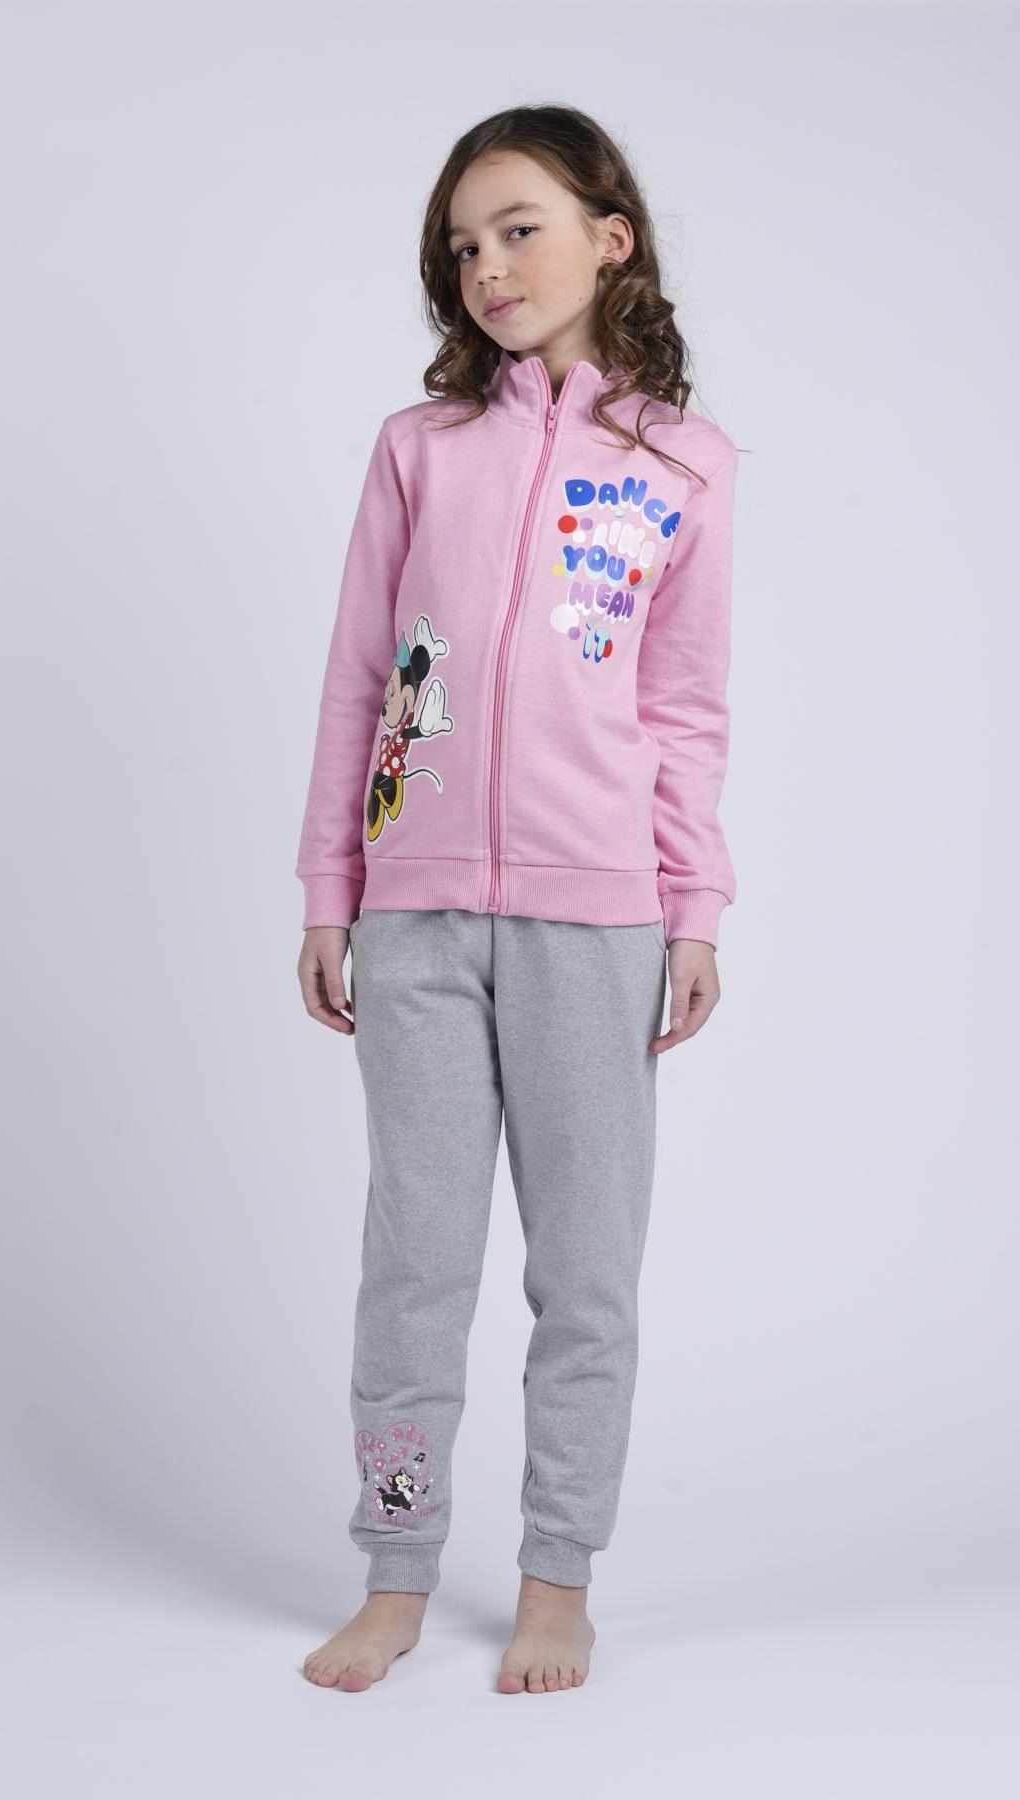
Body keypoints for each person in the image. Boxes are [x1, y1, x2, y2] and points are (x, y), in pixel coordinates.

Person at [294, 103, 741, 1695]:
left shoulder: (683, 467)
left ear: (610, 239)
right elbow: (362, 678)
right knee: (413, 1267)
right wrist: (332, 884)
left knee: (585, 1275)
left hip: (596, 918)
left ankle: (560, 1577)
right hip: (414, 913)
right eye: (463, 245)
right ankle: (396, 1565)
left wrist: (694, 907)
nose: (488, 265)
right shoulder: (418, 452)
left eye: (519, 228)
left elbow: (685, 711)